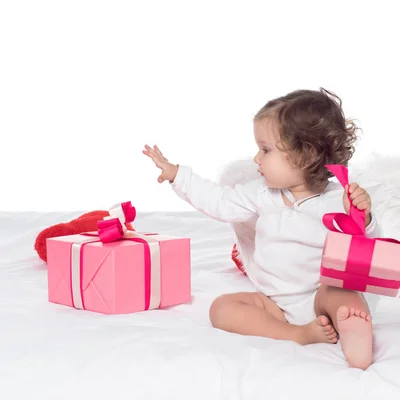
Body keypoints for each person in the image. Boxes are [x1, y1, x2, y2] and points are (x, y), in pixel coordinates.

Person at [143, 88, 382, 370]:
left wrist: (362, 216)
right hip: (274, 304)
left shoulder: (336, 200)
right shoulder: (261, 194)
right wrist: (178, 175)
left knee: (347, 299)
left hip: (320, 295)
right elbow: (219, 202)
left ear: (304, 156)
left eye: (265, 150)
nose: (257, 158)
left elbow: (366, 248)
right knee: (221, 308)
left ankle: (355, 337)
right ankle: (297, 334)